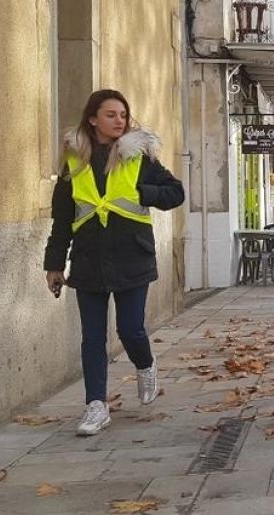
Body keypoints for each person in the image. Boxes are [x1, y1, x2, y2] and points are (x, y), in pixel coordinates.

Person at [43, 90, 185, 436]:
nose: (120, 120)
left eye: (123, 114)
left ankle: (146, 364)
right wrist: (54, 265)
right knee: (92, 337)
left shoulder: (140, 158)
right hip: (89, 259)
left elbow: (175, 192)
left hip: (131, 256)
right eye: (111, 114)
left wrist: (143, 194)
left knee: (130, 329)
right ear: (92, 119)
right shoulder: (73, 164)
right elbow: (62, 220)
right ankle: (96, 406)